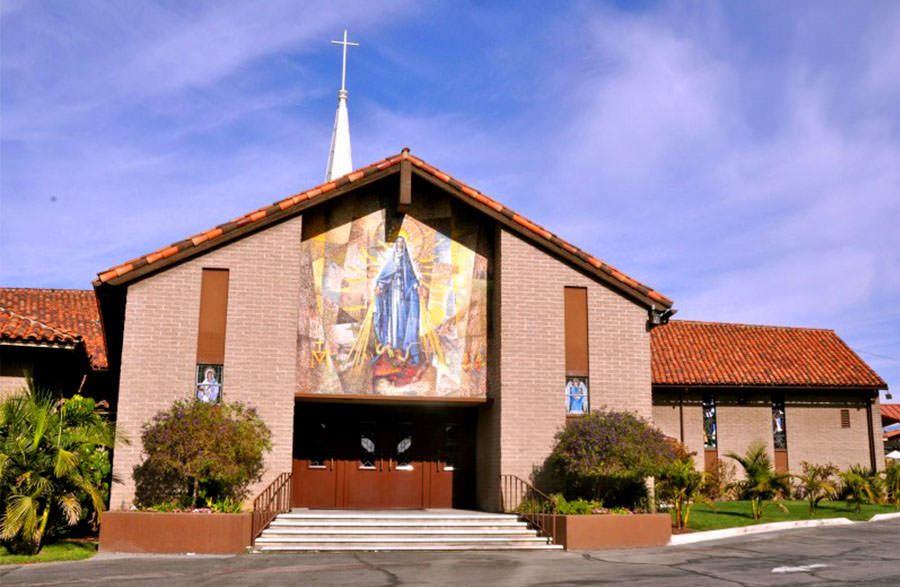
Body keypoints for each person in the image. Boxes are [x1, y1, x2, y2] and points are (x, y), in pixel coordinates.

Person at [373, 236, 422, 368]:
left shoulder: (406, 260)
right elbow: (384, 277)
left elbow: (412, 278)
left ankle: (402, 347)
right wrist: (380, 286)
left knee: (403, 319)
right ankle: (392, 346)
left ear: (404, 245)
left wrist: (416, 286)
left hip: (403, 296)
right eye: (398, 242)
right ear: (396, 245)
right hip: (392, 295)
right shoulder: (391, 260)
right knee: (392, 319)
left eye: (402, 243)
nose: (400, 245)